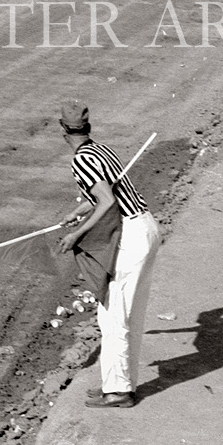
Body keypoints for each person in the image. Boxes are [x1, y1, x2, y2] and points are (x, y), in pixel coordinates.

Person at [55, 101, 163, 409]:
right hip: (147, 228)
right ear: (86, 128)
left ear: (64, 130)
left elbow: (106, 202)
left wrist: (77, 234)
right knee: (131, 312)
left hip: (131, 235)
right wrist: (78, 210)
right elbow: (106, 193)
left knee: (113, 314)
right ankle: (118, 385)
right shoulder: (100, 150)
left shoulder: (80, 161)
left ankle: (118, 392)